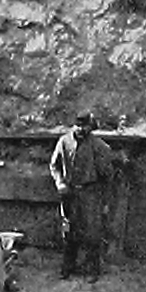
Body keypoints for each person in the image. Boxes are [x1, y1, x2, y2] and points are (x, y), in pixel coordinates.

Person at [49, 111, 114, 282]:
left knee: (92, 232)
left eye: (83, 126)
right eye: (77, 125)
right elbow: (54, 165)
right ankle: (67, 267)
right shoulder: (64, 142)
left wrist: (104, 200)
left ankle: (93, 269)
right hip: (69, 192)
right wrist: (60, 182)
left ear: (90, 127)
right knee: (68, 230)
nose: (79, 129)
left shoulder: (99, 146)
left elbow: (107, 175)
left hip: (90, 193)